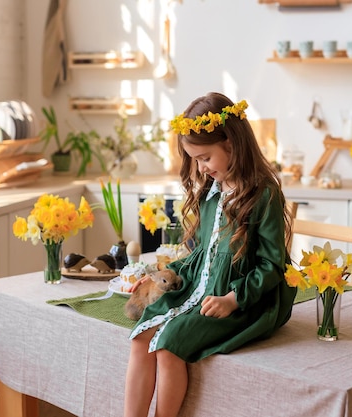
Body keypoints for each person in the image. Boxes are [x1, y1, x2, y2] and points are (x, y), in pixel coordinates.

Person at [124, 92, 296, 417]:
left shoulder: (264, 195)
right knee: (141, 336)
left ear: (231, 144)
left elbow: (273, 266)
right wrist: (164, 275)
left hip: (242, 301)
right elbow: (202, 255)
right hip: (200, 290)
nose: (200, 168)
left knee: (168, 344)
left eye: (204, 158)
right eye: (194, 160)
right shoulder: (210, 193)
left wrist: (232, 299)